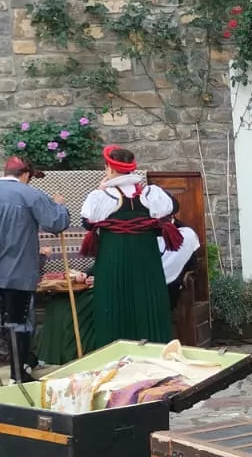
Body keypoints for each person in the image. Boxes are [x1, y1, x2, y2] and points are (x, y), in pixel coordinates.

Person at [81, 147, 180, 347]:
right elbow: (173, 208)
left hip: (113, 260)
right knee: (148, 302)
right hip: (146, 260)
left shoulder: (101, 197)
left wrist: (101, 189)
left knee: (113, 303)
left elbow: (88, 222)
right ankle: (154, 348)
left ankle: (115, 352)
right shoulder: (151, 194)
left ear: (108, 167)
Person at [0, 156, 70, 382]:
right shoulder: (30, 195)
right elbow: (56, 223)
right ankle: (18, 377)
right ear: (26, 174)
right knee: (17, 324)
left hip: (11, 270)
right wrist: (58, 206)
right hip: (15, 273)